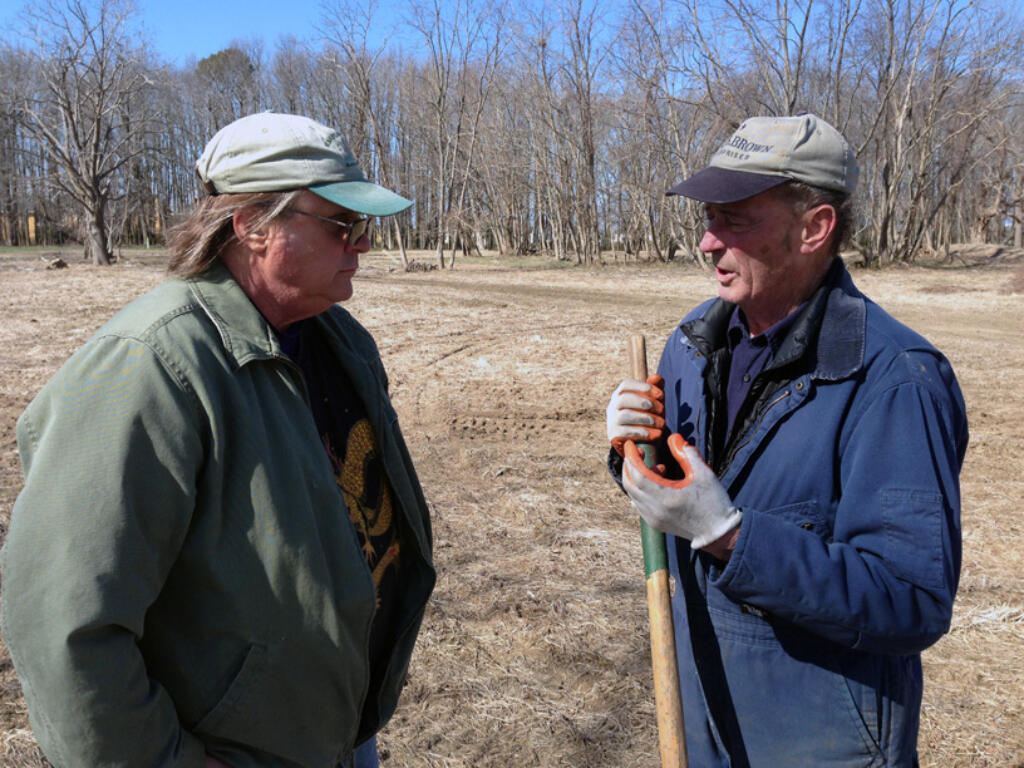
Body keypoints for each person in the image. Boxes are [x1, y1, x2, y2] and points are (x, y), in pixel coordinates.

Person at [1, 113, 435, 768]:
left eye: (363, 227)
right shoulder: (150, 366)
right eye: (343, 224)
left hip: (336, 734)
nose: (362, 246)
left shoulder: (341, 342)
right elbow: (63, 625)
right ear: (252, 227)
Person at [605, 114, 968, 766]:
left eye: (736, 219)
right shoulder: (694, 342)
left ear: (815, 228)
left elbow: (911, 601)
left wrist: (730, 536)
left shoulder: (894, 380)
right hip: (700, 715)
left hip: (821, 741)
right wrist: (635, 449)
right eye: (708, 218)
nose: (708, 243)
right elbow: (681, 491)